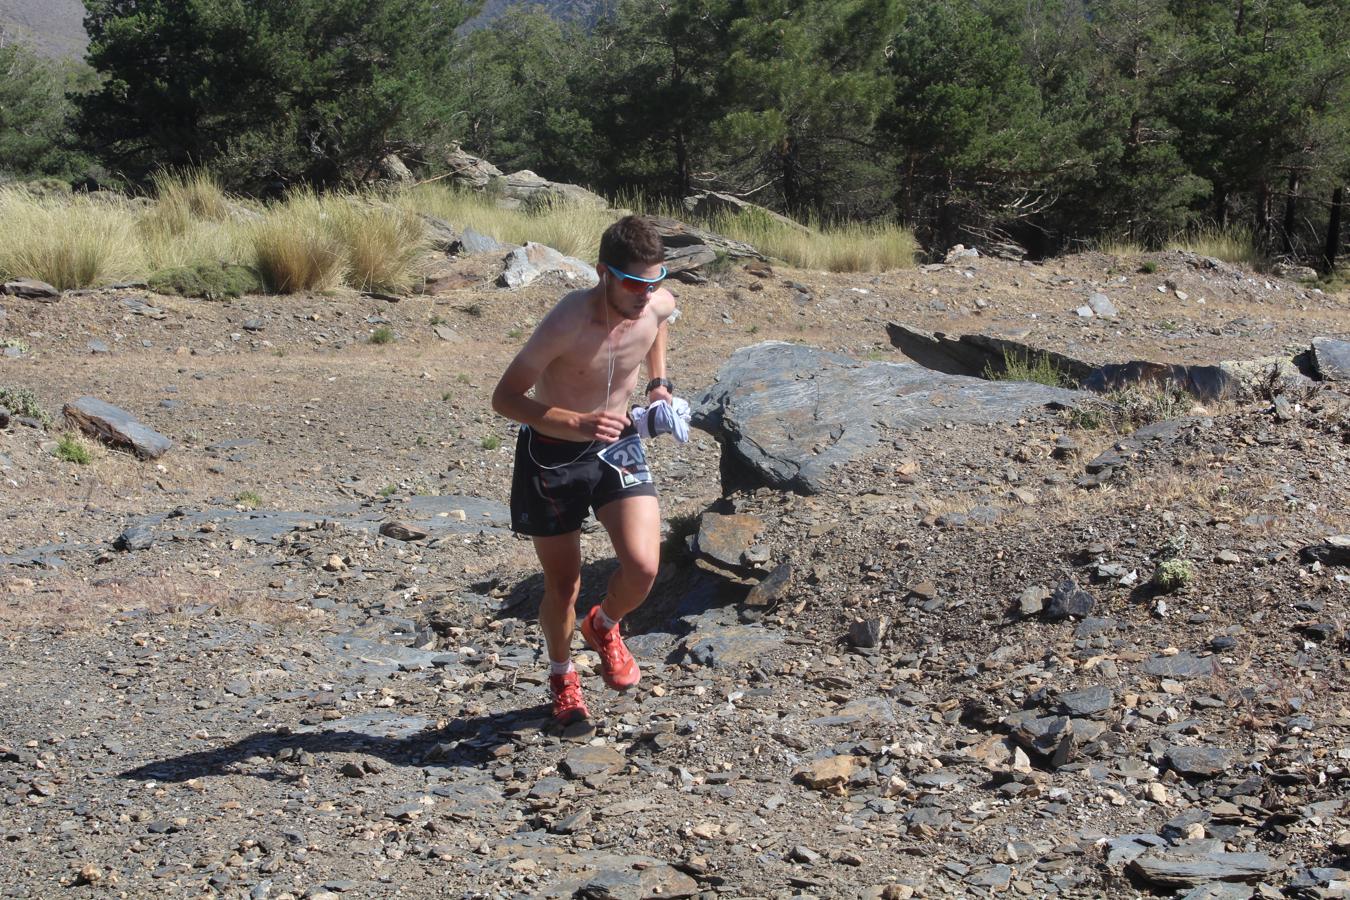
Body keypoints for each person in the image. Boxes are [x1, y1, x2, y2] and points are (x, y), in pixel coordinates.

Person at [491, 215, 679, 725]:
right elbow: (505, 398)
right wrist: (574, 419)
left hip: (616, 446)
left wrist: (659, 385)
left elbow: (661, 320)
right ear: (603, 273)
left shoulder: (655, 302)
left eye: (654, 280)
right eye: (635, 283)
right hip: (550, 457)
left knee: (642, 567)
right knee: (564, 585)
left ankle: (605, 625)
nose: (646, 294)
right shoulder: (566, 322)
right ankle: (562, 675)